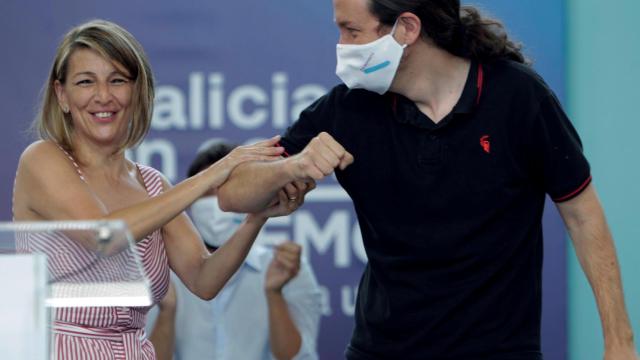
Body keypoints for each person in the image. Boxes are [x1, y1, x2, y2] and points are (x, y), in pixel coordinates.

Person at [216, 0, 639, 359]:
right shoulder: (346, 109)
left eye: (351, 30)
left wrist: (619, 339)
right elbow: (232, 195)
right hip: (380, 349)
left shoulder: (520, 97)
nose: (341, 48)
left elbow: (582, 213)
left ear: (406, 28)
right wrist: (291, 166)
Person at [11, 19, 307, 359]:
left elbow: (204, 279)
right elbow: (103, 236)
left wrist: (257, 216)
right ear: (62, 95)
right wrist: (214, 174)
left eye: (117, 80)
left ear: (138, 92)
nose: (103, 96)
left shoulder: (153, 185)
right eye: (85, 82)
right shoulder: (43, 159)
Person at [146, 140, 323, 360]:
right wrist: (167, 311)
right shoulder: (162, 275)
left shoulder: (283, 269)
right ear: (190, 202)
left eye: (227, 189)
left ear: (254, 193)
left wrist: (274, 294)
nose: (217, 203)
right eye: (207, 193)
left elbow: (299, 358)